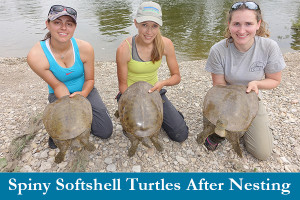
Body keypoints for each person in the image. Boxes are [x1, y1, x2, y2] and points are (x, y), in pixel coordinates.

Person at [204, 1, 286, 160]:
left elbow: (274, 80)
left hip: (251, 98)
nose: (242, 30)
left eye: (248, 24)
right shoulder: (218, 50)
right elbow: (218, 86)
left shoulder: (269, 47)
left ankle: (243, 129)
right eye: (236, 24)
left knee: (262, 153)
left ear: (258, 24)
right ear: (229, 25)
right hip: (225, 99)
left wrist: (257, 84)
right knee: (219, 133)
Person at [27, 5, 113, 149]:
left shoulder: (85, 48)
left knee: (105, 131)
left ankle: (87, 118)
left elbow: (90, 80)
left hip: (85, 90)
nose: (63, 28)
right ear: (47, 24)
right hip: (60, 93)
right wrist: (72, 108)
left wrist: (83, 95)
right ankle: (63, 122)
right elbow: (57, 85)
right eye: (57, 22)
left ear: (74, 27)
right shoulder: (36, 56)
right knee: (60, 140)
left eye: (69, 24)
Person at [116, 1, 189, 142]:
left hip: (154, 91)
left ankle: (169, 115)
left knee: (181, 135)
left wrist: (163, 83)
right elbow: (122, 85)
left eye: (154, 26)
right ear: (136, 23)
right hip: (130, 94)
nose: (149, 32)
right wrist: (136, 104)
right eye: (144, 25)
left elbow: (176, 76)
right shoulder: (124, 49)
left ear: (159, 26)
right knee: (134, 133)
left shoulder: (166, 44)